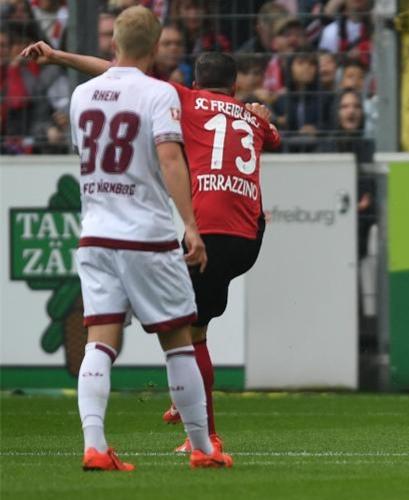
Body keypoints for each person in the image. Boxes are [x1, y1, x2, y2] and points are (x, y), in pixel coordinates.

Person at [22, 43, 280, 456]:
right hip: (249, 237)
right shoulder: (253, 117)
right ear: (234, 87)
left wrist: (61, 57)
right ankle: (184, 398)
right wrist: (258, 116)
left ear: (196, 83)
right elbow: (269, 133)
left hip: (209, 233)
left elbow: (116, 71)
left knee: (188, 335)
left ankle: (205, 433)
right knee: (200, 319)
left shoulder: (186, 99)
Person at [66, 6, 230, 470]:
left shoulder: (80, 95)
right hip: (146, 234)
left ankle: (95, 446)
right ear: (156, 48)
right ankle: (202, 449)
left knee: (99, 340)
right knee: (178, 339)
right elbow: (171, 160)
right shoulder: (159, 94)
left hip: (95, 233)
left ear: (112, 43)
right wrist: (191, 225)